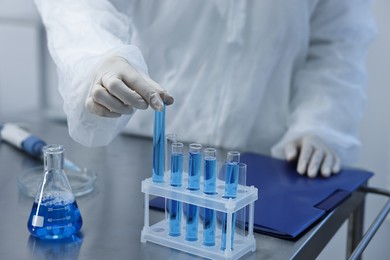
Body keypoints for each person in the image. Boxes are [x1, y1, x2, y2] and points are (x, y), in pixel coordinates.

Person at [34, 0, 375, 178]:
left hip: (261, 158)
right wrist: (98, 56)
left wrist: (320, 121)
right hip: (143, 147)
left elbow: (336, 44)